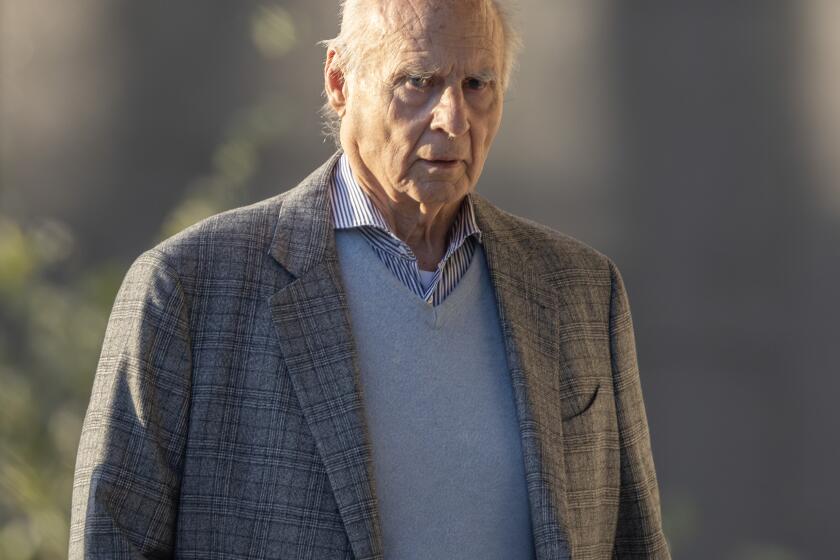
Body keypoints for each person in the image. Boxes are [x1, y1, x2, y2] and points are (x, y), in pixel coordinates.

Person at [70, 1, 670, 558]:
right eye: (419, 81)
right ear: (338, 81)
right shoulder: (187, 289)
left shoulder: (582, 292)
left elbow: (633, 542)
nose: (454, 119)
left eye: (476, 84)